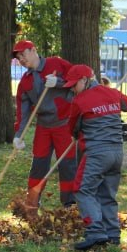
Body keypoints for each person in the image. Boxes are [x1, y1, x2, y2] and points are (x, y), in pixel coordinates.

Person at [64, 64, 127, 251]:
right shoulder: (112, 93)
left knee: (82, 189)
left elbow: (73, 127)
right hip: (117, 153)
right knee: (107, 194)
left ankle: (95, 231)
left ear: (85, 80)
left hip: (96, 153)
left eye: (73, 85)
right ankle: (113, 234)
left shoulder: (80, 101)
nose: (71, 88)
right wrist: (112, 96)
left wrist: (77, 134)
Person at [11, 40, 76, 207]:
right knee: (39, 165)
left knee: (67, 164)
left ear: (33, 50)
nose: (21, 60)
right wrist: (19, 135)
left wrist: (59, 83)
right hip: (44, 127)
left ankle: (70, 204)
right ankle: (32, 202)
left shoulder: (57, 64)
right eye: (18, 58)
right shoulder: (25, 82)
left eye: (23, 55)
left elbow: (78, 81)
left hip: (64, 124)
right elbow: (23, 112)